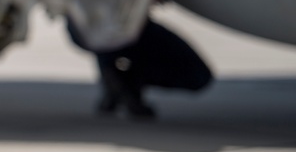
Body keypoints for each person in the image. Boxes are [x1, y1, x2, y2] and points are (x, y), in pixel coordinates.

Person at [67, 15, 213, 119]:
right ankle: (120, 83)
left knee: (198, 77)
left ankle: (123, 84)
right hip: (97, 25)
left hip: (127, 25)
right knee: (197, 76)